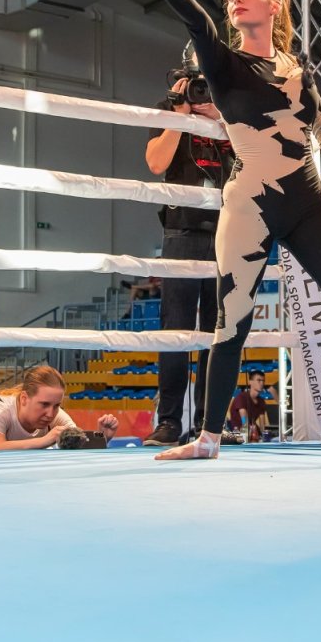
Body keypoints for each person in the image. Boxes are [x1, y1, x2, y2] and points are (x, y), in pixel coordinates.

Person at [111, 0, 321, 466]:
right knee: (232, 322)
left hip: (306, 200)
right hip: (250, 204)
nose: (236, 0)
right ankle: (208, 438)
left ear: (274, 3)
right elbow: (197, 21)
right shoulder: (223, 62)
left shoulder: (298, 69)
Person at [144, 46, 235, 446]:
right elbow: (156, 163)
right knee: (176, 330)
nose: (202, 89)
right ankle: (169, 422)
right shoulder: (167, 108)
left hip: (229, 229)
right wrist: (181, 117)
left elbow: (257, 156)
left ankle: (209, 423)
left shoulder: (232, 110)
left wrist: (221, 119)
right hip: (181, 228)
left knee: (220, 330)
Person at [0, 366, 117, 452]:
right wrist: (45, 440)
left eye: (57, 405)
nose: (50, 413)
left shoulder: (56, 416)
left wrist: (102, 437)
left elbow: (79, 445)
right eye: (44, 405)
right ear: (24, 398)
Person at [227, 371, 271, 441]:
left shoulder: (261, 401)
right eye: (259, 380)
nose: (262, 383)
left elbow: (262, 424)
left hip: (253, 432)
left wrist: (263, 436)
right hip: (238, 433)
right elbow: (244, 420)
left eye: (263, 381)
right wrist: (248, 432)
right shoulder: (241, 397)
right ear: (250, 382)